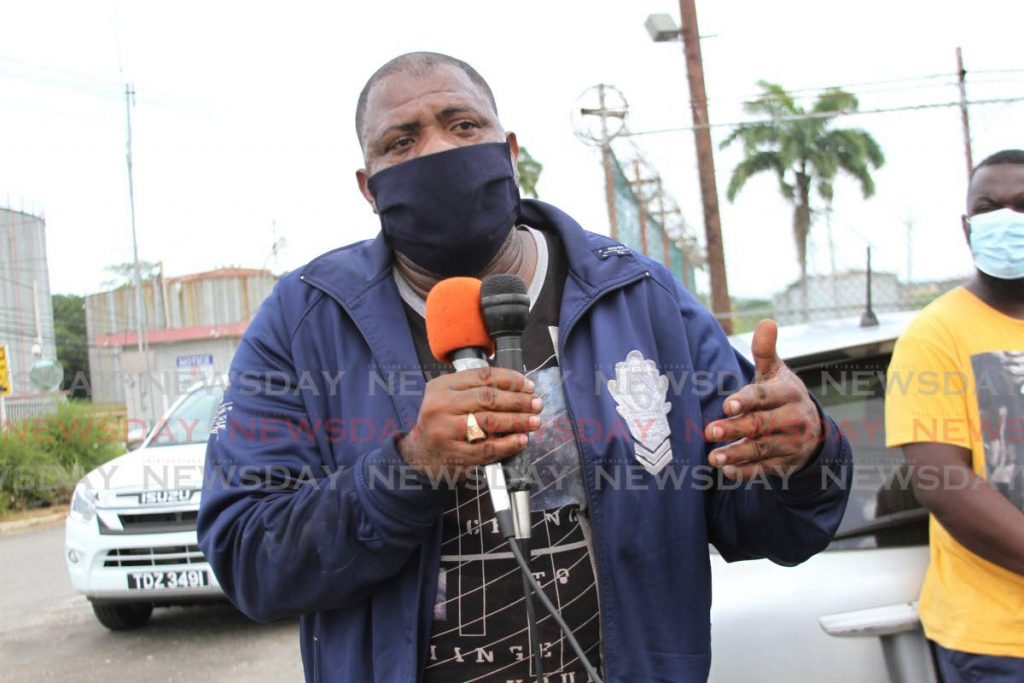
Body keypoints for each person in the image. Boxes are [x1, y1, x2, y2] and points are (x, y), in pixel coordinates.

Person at [197, 52, 852, 683]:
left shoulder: (639, 299)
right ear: (369, 188)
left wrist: (805, 451)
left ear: (508, 151)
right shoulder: (306, 322)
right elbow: (250, 555)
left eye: (462, 125)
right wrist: (409, 466)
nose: (436, 151)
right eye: (401, 141)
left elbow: (769, 522)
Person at [885, 149, 1024, 682]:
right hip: (998, 643)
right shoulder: (935, 334)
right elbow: (943, 482)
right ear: (968, 228)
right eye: (990, 208)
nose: (1007, 219)